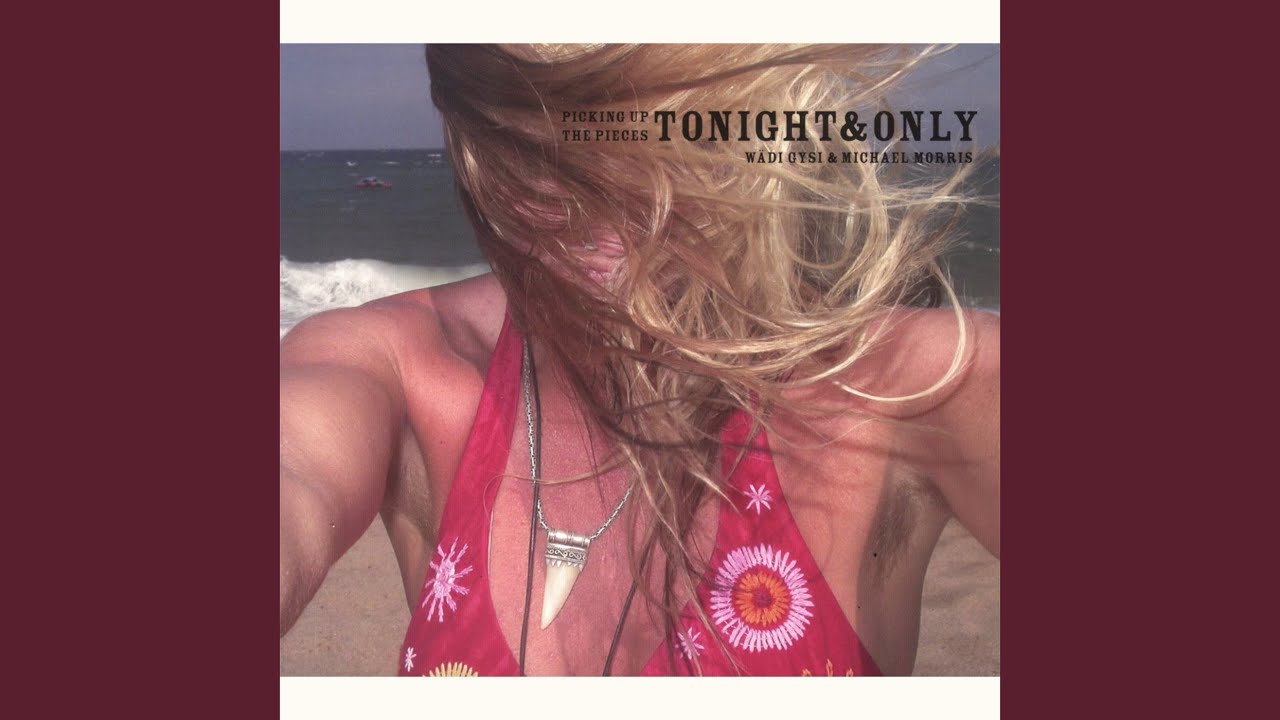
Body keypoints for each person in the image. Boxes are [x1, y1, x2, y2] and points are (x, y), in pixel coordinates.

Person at [279, 44, 999, 677]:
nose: (599, 189)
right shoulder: (398, 366)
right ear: (471, 118)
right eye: (531, 128)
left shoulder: (907, 387)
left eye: (656, 122)